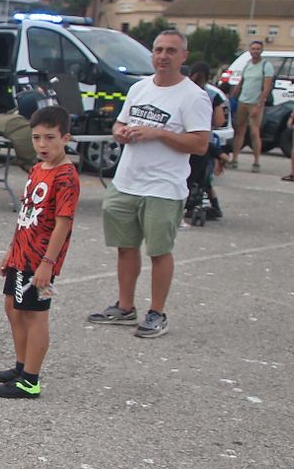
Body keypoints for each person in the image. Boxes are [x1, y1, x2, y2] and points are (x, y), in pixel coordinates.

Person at [88, 29, 210, 340]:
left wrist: (158, 134)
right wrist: (120, 131)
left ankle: (157, 312)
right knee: (125, 247)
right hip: (127, 181)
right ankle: (125, 307)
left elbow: (199, 144)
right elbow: (120, 121)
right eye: (158, 50)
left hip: (163, 187)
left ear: (183, 56)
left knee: (159, 251)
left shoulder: (193, 96)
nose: (163, 56)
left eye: (171, 51)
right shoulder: (139, 88)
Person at [0, 106, 79, 399]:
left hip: (41, 258)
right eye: (37, 138)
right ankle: (21, 365)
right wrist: (10, 252)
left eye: (50, 138)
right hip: (22, 253)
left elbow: (63, 223)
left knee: (35, 315)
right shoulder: (37, 168)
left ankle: (30, 379)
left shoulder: (65, 175)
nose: (42, 145)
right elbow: (26, 214)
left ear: (65, 138)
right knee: (12, 307)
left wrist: (48, 263)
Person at [188, 62, 229, 221]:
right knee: (205, 178)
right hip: (205, 140)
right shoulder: (212, 95)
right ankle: (213, 206)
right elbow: (219, 121)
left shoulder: (183, 90)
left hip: (184, 137)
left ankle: (187, 205)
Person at [231, 39, 274, 170]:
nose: (255, 51)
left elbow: (267, 87)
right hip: (243, 100)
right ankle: (235, 159)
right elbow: (242, 82)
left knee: (254, 132)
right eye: (253, 49)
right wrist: (232, 96)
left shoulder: (266, 66)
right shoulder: (248, 64)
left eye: (257, 49)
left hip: (255, 102)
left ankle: (256, 161)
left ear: (261, 50)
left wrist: (260, 104)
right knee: (239, 130)